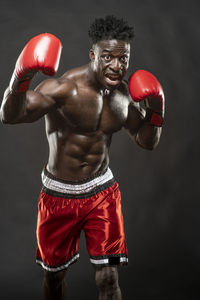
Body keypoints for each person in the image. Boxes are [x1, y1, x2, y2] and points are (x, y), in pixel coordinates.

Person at [0, 15, 165, 300]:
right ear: (93, 54)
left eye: (123, 58)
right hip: (58, 196)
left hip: (102, 195)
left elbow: (146, 141)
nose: (117, 66)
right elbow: (10, 115)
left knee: (109, 278)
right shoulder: (64, 89)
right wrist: (21, 75)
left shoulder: (124, 97)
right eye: (108, 57)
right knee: (53, 278)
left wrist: (157, 109)